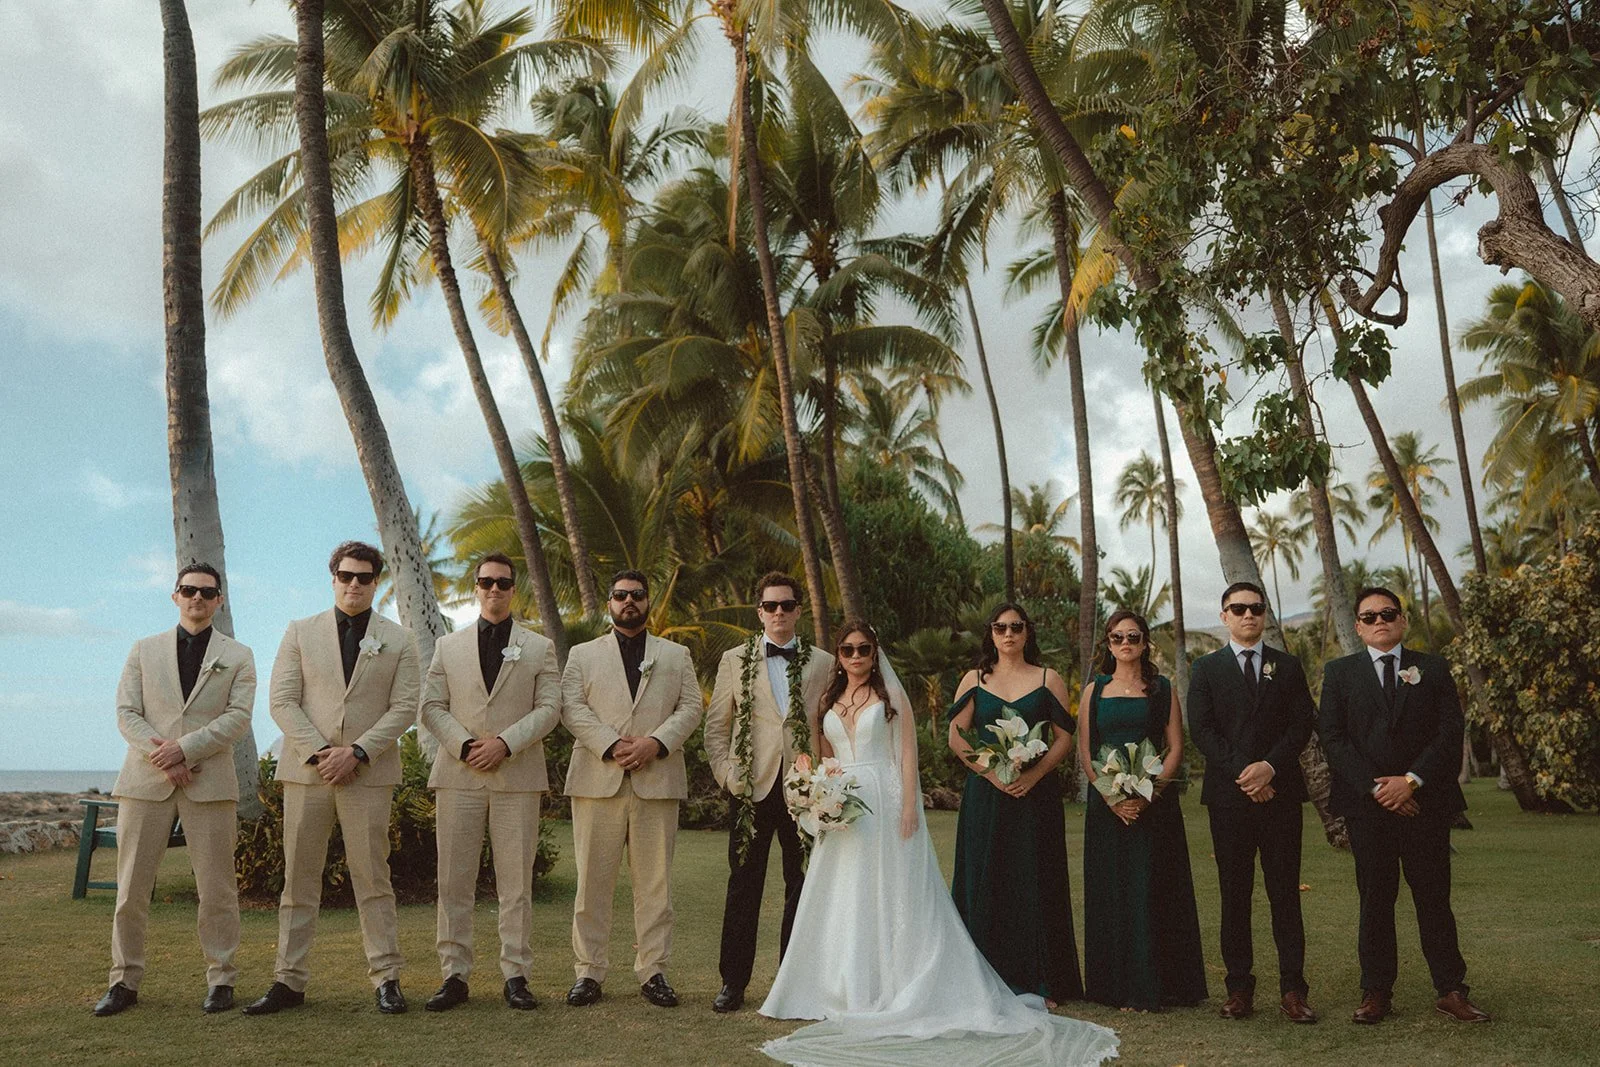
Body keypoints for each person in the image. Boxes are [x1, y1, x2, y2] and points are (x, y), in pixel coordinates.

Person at [759, 622, 1117, 1067]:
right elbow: (824, 756)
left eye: (864, 649)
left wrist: (909, 805)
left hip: (885, 800)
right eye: (848, 650)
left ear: (875, 653)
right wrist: (817, 793)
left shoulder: (891, 699)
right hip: (842, 803)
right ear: (839, 655)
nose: (856, 656)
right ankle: (841, 984)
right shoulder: (827, 702)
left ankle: (900, 982)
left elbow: (907, 755)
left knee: (892, 892)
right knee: (843, 894)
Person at [243, 541, 420, 1016]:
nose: (354, 585)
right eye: (346, 576)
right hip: (308, 773)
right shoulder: (300, 632)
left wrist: (358, 752)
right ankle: (288, 980)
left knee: (373, 877)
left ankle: (386, 978)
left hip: (369, 772)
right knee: (298, 880)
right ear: (333, 578)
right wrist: (323, 753)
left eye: (364, 577)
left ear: (375, 583)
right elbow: (282, 700)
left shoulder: (399, 640)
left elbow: (404, 707)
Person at [1319, 587, 1489, 1025]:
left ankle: (1451, 989)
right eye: (1370, 616)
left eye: (1388, 613)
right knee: (1375, 899)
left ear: (1402, 620)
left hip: (1425, 806)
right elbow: (1333, 740)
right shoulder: (1339, 674)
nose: (1380, 621)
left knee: (1434, 898)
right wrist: (1380, 791)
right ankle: (1376, 992)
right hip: (1367, 807)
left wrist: (1411, 782)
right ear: (1357, 626)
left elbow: (1450, 733)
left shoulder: (1432, 668)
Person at [93, 564, 256, 1017]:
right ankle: (123, 981)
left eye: (207, 592)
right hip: (146, 782)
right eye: (189, 590)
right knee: (130, 889)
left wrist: (184, 750)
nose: (197, 598)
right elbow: (126, 712)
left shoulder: (238, 655)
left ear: (219, 600)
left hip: (209, 781)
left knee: (218, 889)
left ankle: (221, 979)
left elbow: (238, 718)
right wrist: (161, 757)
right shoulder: (143, 650)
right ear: (175, 595)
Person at [416, 552, 560, 1013]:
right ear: (475, 587)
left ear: (514, 589)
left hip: (516, 775)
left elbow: (550, 709)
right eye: (486, 582)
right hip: (459, 776)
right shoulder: (447, 647)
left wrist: (505, 743)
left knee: (516, 883)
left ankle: (516, 975)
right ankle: (453, 975)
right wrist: (463, 745)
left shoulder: (539, 648)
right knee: (453, 881)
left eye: (502, 582)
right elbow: (432, 706)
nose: (494, 589)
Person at [561, 569, 704, 1009]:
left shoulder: (675, 655)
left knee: (656, 886)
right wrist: (609, 743)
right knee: (592, 885)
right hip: (595, 781)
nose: (629, 602)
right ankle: (588, 972)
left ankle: (654, 971)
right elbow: (570, 706)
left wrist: (654, 743)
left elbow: (692, 706)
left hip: (656, 781)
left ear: (648, 601)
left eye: (637, 595)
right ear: (608, 602)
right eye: (620, 595)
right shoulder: (582, 654)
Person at [702, 572, 834, 1013]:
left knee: (802, 885)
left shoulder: (823, 662)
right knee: (744, 886)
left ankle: (792, 979)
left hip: (804, 790)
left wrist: (826, 780)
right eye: (771, 606)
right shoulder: (733, 659)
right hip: (750, 790)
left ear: (799, 610)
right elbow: (716, 728)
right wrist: (727, 774)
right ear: (759, 612)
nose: (779, 612)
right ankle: (733, 983)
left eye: (787, 605)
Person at [1188, 582, 1318, 1023]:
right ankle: (1239, 989)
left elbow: (1302, 724)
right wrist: (1247, 773)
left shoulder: (1288, 666)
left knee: (1285, 896)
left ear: (1265, 615)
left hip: (1280, 795)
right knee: (1234, 895)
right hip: (1229, 798)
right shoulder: (1205, 669)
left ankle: (1293, 991)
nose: (1248, 615)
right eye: (1238, 608)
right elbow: (1203, 731)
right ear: (1224, 616)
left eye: (1256, 608)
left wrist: (1270, 768)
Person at [946, 603, 1083, 1004]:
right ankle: (980, 980)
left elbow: (1063, 738)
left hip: (1034, 798)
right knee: (986, 878)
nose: (1008, 634)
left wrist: (1032, 776)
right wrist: (991, 774)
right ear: (990, 633)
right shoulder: (974, 679)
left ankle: (1042, 979)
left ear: (1027, 632)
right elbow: (957, 736)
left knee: (1035, 880)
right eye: (1000, 627)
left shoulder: (1047, 678)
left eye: (1016, 627)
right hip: (986, 798)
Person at [1079, 609, 1207, 1011]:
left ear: (1145, 641)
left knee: (1154, 888)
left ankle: (1162, 984)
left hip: (1155, 806)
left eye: (1133, 636)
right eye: (1117, 638)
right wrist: (1112, 795)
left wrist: (1148, 793)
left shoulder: (1163, 688)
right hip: (1108, 806)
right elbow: (1085, 750)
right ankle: (1114, 987)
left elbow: (1176, 747)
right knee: (1113, 891)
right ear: (1109, 645)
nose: (1126, 644)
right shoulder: (1094, 690)